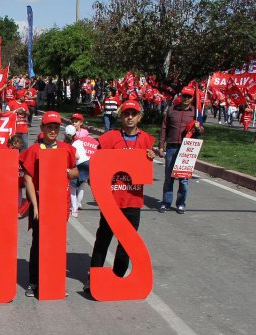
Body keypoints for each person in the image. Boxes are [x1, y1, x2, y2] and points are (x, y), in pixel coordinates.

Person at [85, 100, 156, 291]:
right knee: (103, 240)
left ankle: (117, 278)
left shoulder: (146, 140)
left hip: (133, 199)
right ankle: (94, 277)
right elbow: (96, 161)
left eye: (134, 114)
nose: (130, 117)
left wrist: (150, 156)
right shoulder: (110, 138)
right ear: (121, 116)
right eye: (126, 114)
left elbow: (147, 163)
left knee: (127, 243)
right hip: (112, 200)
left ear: (140, 116)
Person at [19, 111, 78, 297]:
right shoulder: (34, 150)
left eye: (55, 127)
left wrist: (68, 171)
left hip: (60, 204)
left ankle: (56, 281)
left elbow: (76, 172)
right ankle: (34, 282)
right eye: (49, 127)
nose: (52, 130)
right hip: (41, 205)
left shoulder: (66, 149)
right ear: (42, 128)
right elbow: (27, 179)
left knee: (57, 245)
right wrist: (35, 206)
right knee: (38, 244)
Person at [158, 86, 203, 214]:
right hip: (171, 146)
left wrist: (198, 127)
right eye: (184, 96)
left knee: (183, 179)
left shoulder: (196, 113)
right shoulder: (171, 110)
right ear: (181, 96)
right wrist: (161, 146)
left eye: (189, 97)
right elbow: (164, 129)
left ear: (192, 98)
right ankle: (166, 202)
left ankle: (181, 203)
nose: (186, 99)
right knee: (169, 178)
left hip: (186, 149)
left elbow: (200, 132)